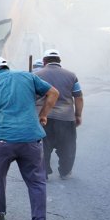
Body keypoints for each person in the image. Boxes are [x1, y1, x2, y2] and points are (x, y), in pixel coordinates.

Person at [0, 56, 59, 220]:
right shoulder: (28, 76)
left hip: (4, 140)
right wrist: (43, 114)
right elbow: (53, 93)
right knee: (37, 183)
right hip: (31, 139)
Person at [35, 49, 83, 180]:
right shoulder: (71, 75)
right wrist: (78, 115)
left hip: (43, 117)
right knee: (68, 147)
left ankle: (43, 173)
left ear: (44, 61)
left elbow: (30, 96)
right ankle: (65, 172)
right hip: (66, 118)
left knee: (43, 147)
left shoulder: (36, 75)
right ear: (60, 61)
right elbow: (78, 97)